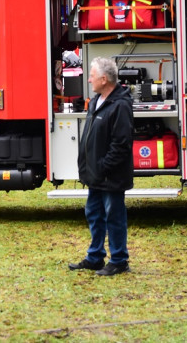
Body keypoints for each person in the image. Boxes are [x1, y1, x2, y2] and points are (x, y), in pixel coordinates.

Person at [69, 56, 134, 276]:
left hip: (110, 176)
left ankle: (119, 260)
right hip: (96, 175)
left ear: (104, 79)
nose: (89, 80)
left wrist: (103, 167)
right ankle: (95, 257)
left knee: (114, 216)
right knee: (94, 213)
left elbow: (121, 145)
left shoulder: (121, 105)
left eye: (92, 76)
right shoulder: (97, 101)